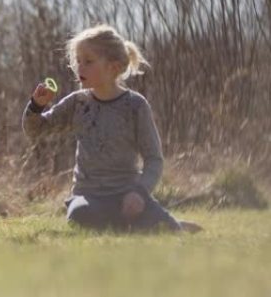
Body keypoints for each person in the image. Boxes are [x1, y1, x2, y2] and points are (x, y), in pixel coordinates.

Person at [22, 24, 202, 233]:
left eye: (88, 62)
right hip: (88, 197)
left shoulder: (135, 106)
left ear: (113, 67)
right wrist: (36, 106)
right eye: (78, 61)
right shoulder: (77, 103)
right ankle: (132, 225)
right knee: (81, 216)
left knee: (166, 228)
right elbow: (35, 131)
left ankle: (173, 224)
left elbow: (154, 159)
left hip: (128, 195)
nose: (80, 67)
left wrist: (139, 193)